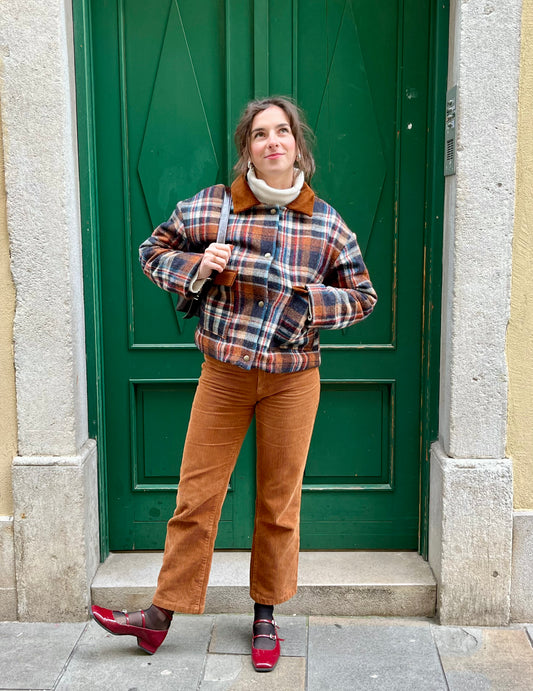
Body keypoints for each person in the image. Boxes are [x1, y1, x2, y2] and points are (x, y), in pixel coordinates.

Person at [91, 96, 377, 672]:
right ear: (247, 148)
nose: (273, 142)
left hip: (293, 381)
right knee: (196, 497)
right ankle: (159, 616)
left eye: (283, 131)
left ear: (298, 145)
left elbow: (363, 296)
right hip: (224, 376)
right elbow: (152, 251)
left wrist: (310, 302)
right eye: (260, 134)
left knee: (278, 501)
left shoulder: (326, 223)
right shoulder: (212, 207)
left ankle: (265, 615)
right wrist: (196, 268)